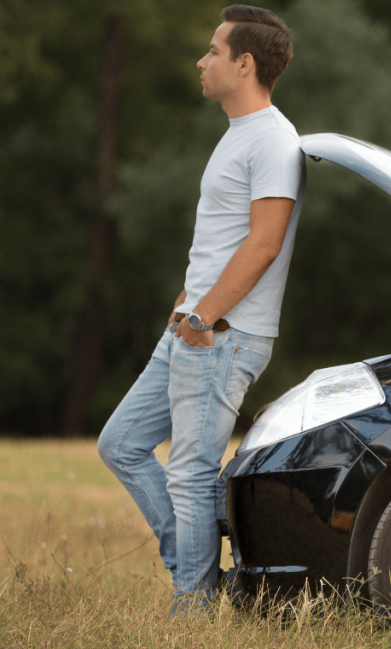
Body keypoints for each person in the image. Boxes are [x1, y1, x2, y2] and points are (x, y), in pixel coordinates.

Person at [97, 5, 305, 615]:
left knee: (189, 474)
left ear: (245, 64)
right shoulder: (239, 132)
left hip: (222, 334)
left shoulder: (271, 138)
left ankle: (192, 609)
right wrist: (189, 302)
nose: (201, 60)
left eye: (213, 51)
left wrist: (205, 314)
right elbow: (223, 237)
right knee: (122, 444)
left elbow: (264, 241)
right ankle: (205, 575)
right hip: (198, 325)